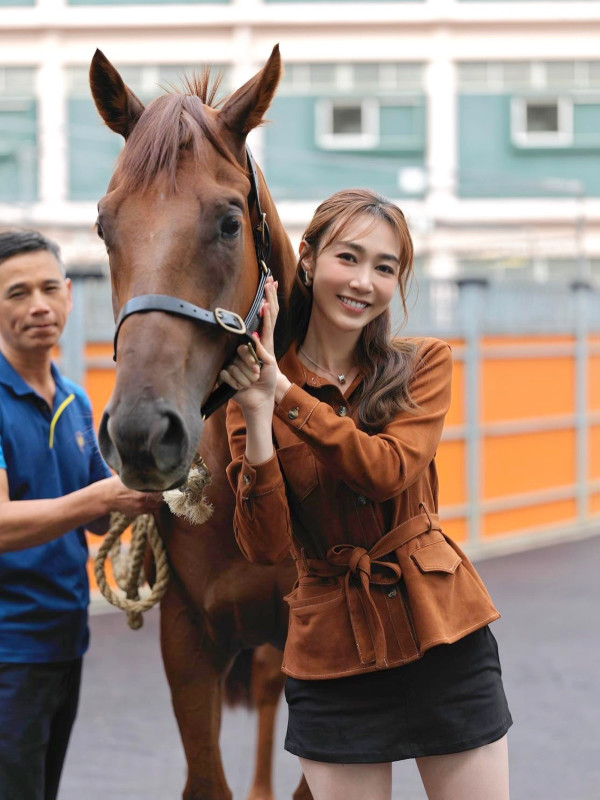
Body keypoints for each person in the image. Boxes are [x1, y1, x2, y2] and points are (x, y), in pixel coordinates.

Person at [222, 189, 512, 800]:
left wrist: (286, 397)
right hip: (330, 652)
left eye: (385, 267)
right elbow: (265, 545)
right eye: (348, 257)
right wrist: (258, 414)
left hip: (442, 632)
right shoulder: (251, 391)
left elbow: (386, 470)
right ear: (307, 258)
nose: (363, 282)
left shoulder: (422, 364)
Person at [0, 230, 162, 800]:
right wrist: (104, 499)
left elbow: (99, 520)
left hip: (63, 639)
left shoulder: (74, 398)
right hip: (9, 648)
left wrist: (153, 483)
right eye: (17, 293)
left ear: (69, 295)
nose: (38, 306)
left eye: (49, 289)